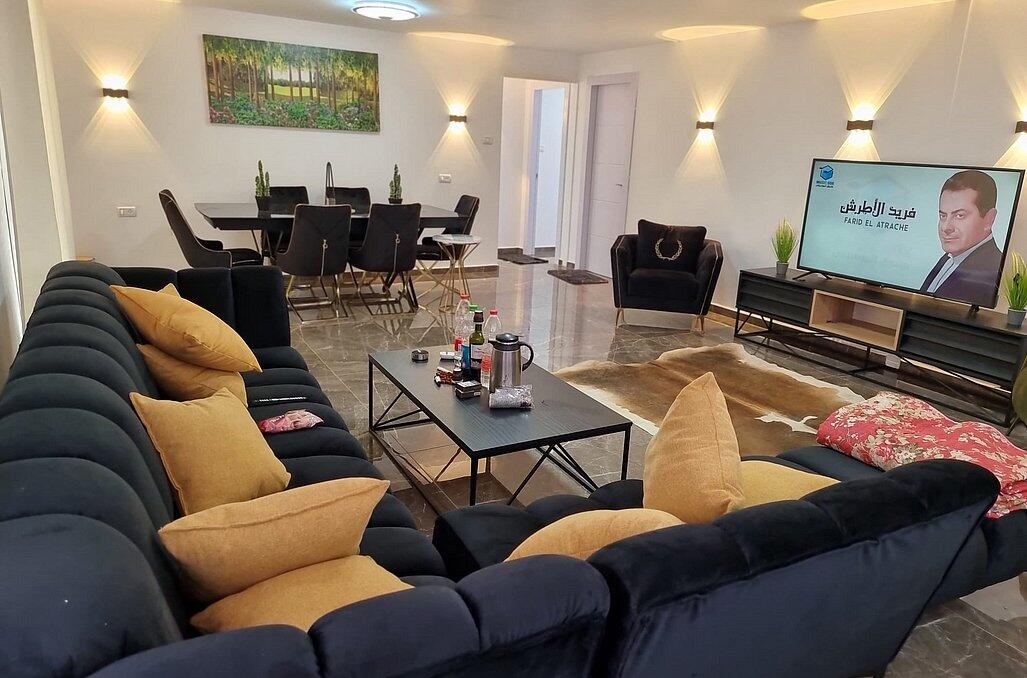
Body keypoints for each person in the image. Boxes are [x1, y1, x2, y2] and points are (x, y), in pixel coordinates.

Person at [920, 170, 1003, 306]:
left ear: (989, 219)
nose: (946, 227)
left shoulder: (992, 271)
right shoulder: (950, 257)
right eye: (943, 216)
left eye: (959, 215)